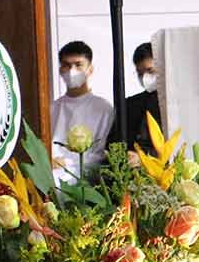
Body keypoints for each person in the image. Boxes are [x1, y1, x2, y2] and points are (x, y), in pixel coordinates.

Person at [50, 40, 114, 185]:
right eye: (67, 65)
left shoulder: (103, 108)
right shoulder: (52, 108)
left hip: (86, 183)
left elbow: (101, 155)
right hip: (51, 179)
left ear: (90, 70)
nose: (72, 71)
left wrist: (66, 162)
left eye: (78, 65)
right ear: (60, 70)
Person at [124, 41, 160, 149]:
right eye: (140, 73)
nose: (145, 78)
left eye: (150, 71)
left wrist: (143, 157)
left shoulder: (175, 104)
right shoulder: (129, 104)